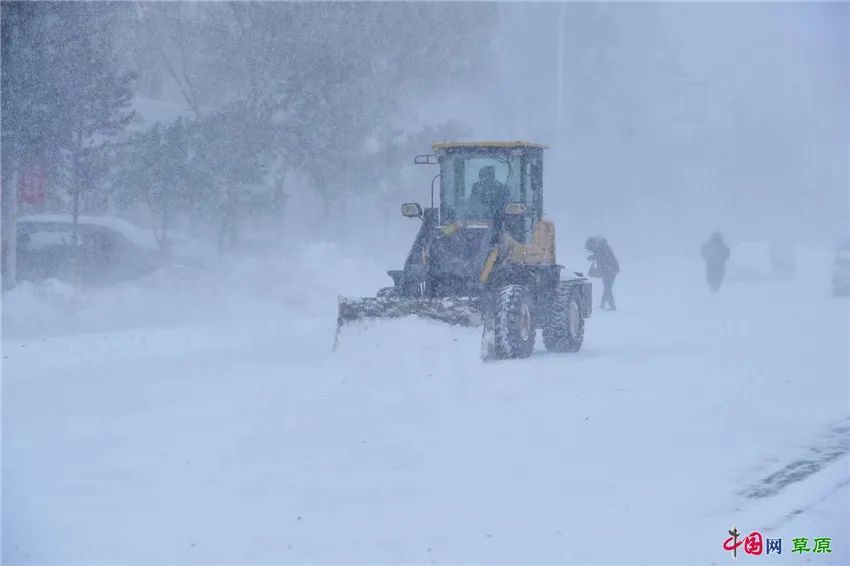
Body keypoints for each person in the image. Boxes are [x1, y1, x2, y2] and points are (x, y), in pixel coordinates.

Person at [586, 236, 619, 310]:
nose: (592, 250)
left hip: (610, 271)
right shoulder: (600, 248)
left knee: (607, 289)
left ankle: (612, 306)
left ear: (593, 244)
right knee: (607, 288)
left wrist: (593, 257)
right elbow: (601, 259)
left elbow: (603, 256)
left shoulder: (604, 247)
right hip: (607, 271)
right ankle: (602, 305)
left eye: (591, 248)